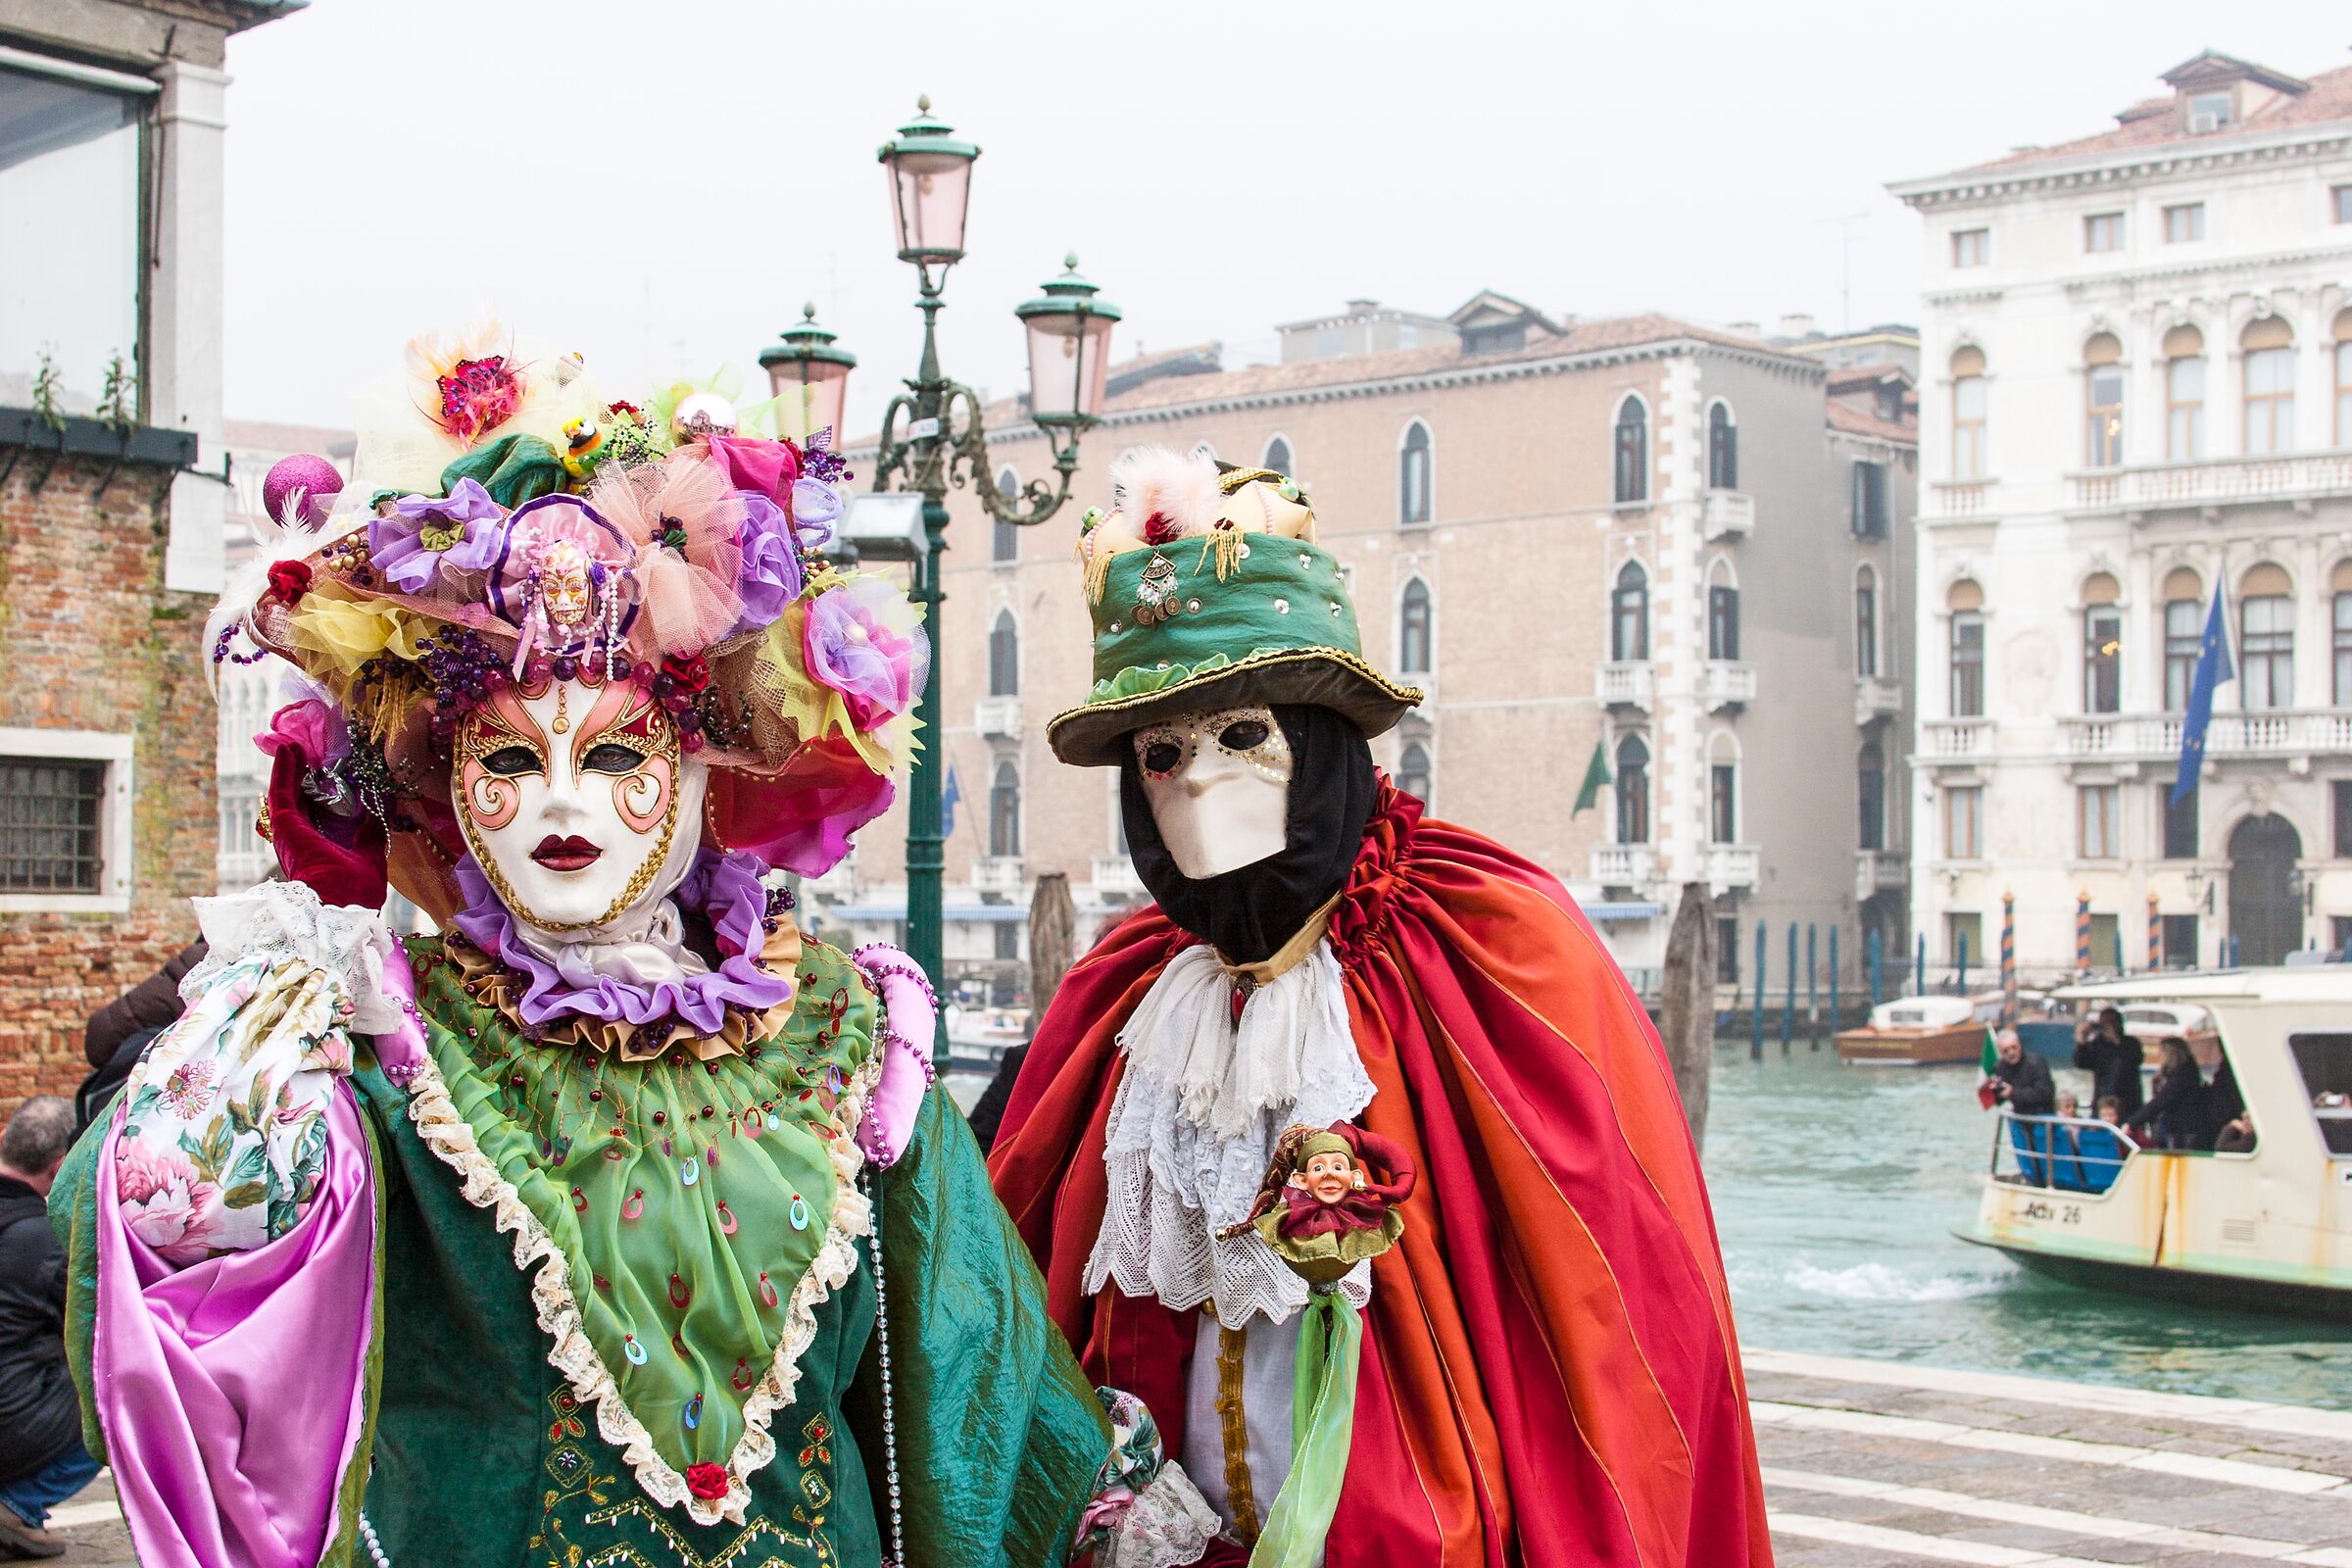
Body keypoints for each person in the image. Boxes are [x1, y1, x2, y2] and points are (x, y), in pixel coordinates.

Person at [48, 332, 1202, 1568]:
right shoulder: (381, 1050)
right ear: (444, 785)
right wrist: (235, 1077)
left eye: (611, 757)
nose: (561, 803)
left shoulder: (849, 1040)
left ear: (704, 777)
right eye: (507, 758)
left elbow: (971, 1353)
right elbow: (158, 1277)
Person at [991, 448, 1768, 1565]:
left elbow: (1615, 1296)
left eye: (1243, 733)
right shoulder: (1119, 993)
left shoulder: (1494, 941)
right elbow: (1019, 1271)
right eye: (1161, 754)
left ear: (1317, 736)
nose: (1198, 780)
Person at [0, 1097, 97, 1560]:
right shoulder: (47, 1239)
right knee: (112, 1395)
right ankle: (16, 1504)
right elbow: (91, 1326)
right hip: (10, 1416)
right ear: (60, 1166)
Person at [2072, 1006, 2144, 1120]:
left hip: (2127, 1101)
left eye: (2110, 1022)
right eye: (2103, 1023)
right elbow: (2081, 1063)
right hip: (2102, 1100)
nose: (2106, 1026)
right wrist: (2082, 1041)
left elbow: (2136, 1060)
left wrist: (2116, 1040)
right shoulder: (2097, 1044)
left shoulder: (2131, 1043)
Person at [2129, 1038, 2203, 1149]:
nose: (2160, 1056)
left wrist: (2132, 1122)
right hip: (2175, 1126)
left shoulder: (2182, 1075)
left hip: (2184, 1128)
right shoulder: (2177, 1073)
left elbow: (2161, 1100)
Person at [1986, 1028, 2056, 1117]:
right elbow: (1999, 1100)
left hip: (2042, 1115)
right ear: (2000, 1052)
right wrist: (1996, 1092)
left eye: (2014, 1047)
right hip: (2019, 1115)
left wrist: (2013, 1092)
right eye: (2006, 1050)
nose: (2011, 1053)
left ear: (2019, 1045)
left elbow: (2045, 1094)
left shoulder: (2036, 1063)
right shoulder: (2000, 1067)